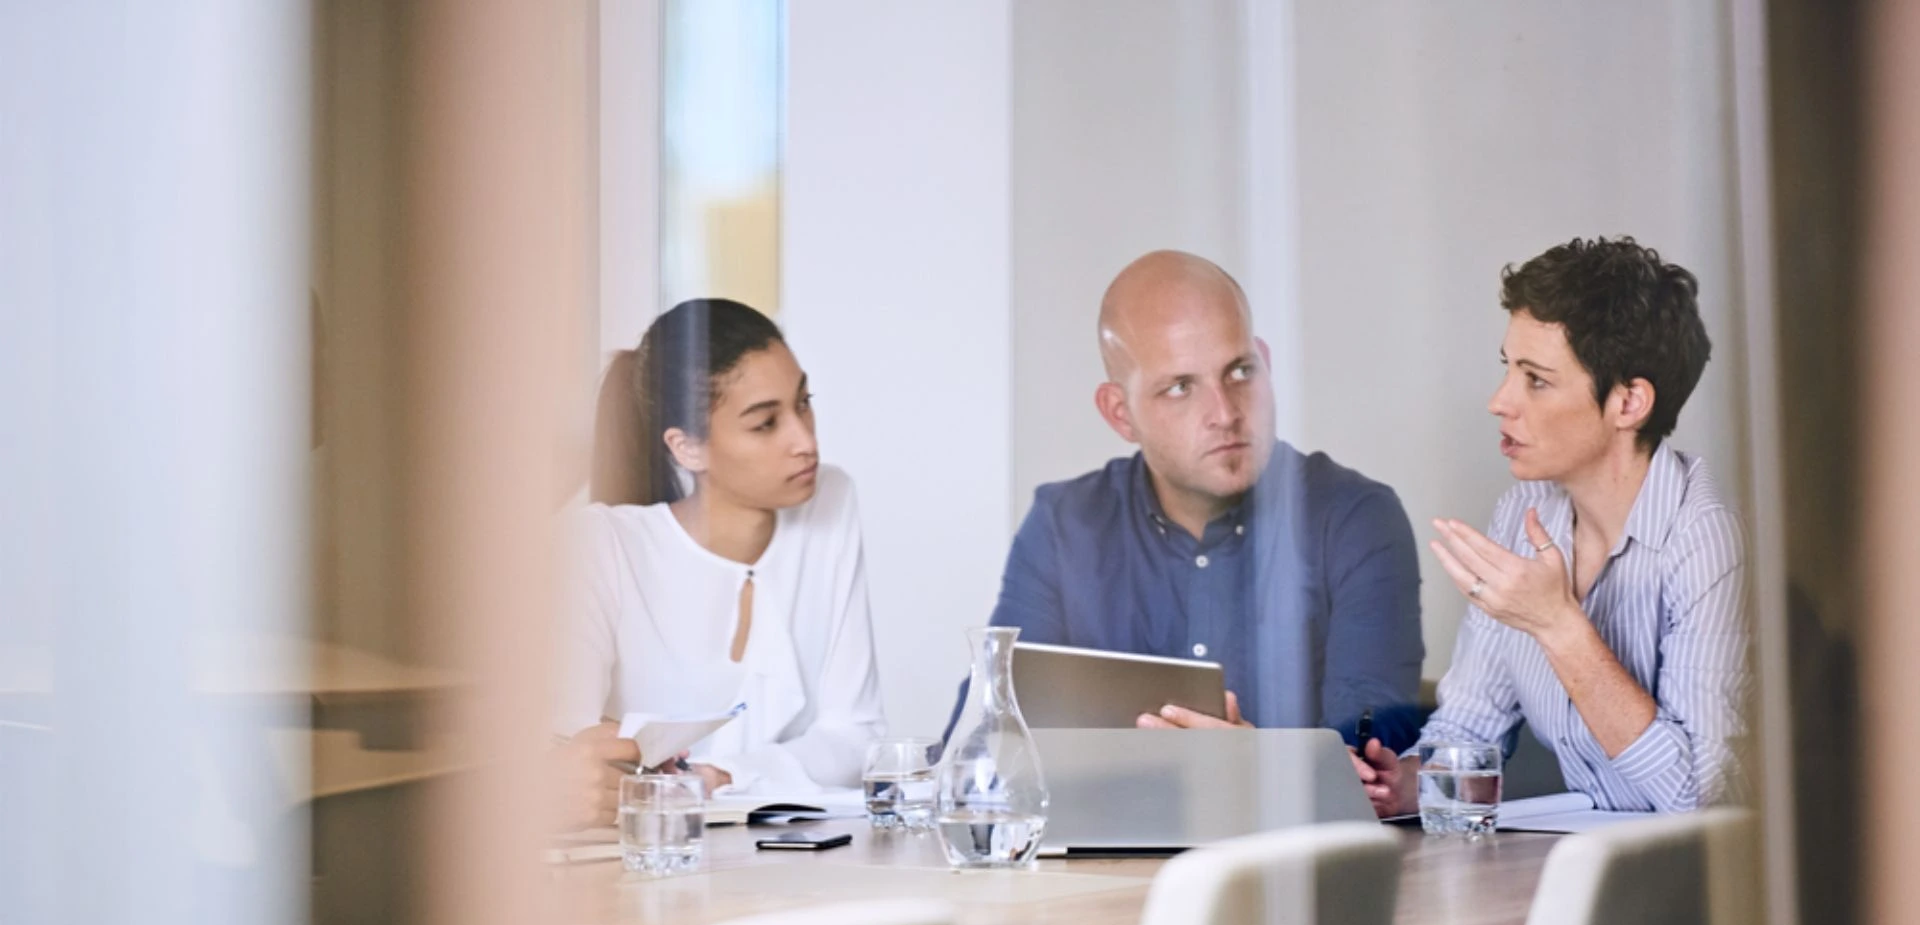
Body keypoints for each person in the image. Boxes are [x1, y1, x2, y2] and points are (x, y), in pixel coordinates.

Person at [1354, 237, 1750, 816]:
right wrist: (1404, 785)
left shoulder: (1710, 540)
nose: (1499, 400)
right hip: (1596, 871)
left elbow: (1697, 798)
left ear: (1629, 403)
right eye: (1507, 369)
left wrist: (1560, 626)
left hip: (1700, 889)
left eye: (1536, 379)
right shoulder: (1524, 511)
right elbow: (1468, 727)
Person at [955, 250, 1423, 736]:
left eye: (1240, 371)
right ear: (1120, 413)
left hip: (1295, 819)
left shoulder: (1354, 518)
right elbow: (985, 736)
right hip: (1109, 812)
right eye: (1180, 387)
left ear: (1265, 363)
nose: (1225, 412)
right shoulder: (1063, 525)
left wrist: (1254, 766)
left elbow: (1372, 764)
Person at [557, 298, 885, 815]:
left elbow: (857, 737)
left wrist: (721, 777)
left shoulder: (830, 501)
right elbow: (567, 750)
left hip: (786, 860)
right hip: (644, 859)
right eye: (765, 423)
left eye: (803, 403)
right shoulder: (601, 546)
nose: (805, 441)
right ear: (687, 448)